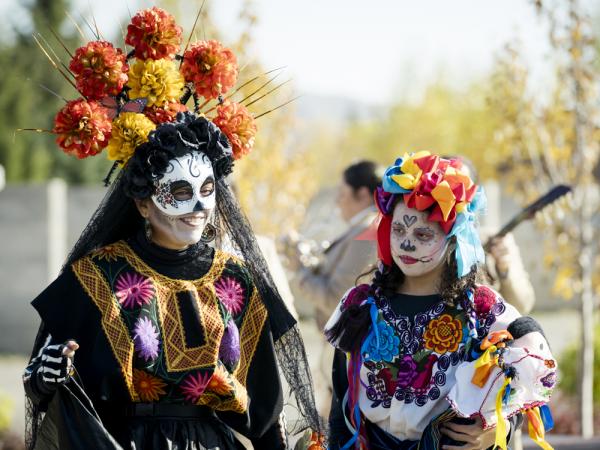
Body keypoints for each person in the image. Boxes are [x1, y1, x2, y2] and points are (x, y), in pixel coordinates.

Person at [22, 7, 321, 450]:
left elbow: (265, 413)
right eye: (179, 192)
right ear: (143, 201)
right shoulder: (96, 277)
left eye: (206, 188)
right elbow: (45, 384)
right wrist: (44, 376)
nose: (199, 206)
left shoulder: (236, 279)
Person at [325, 152, 554, 449]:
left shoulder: (480, 309)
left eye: (423, 233)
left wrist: (500, 428)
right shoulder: (361, 306)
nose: (407, 243)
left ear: (454, 239)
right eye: (398, 230)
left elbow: (527, 371)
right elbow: (339, 404)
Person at [291, 160, 380, 330]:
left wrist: (300, 270)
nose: (338, 201)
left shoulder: (368, 231)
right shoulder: (365, 227)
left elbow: (337, 300)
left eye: (342, 193)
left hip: (346, 341)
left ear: (362, 194)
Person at [453, 156, 535, 314]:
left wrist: (504, 270)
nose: (456, 196)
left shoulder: (497, 241)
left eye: (463, 187)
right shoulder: (423, 244)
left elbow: (523, 305)